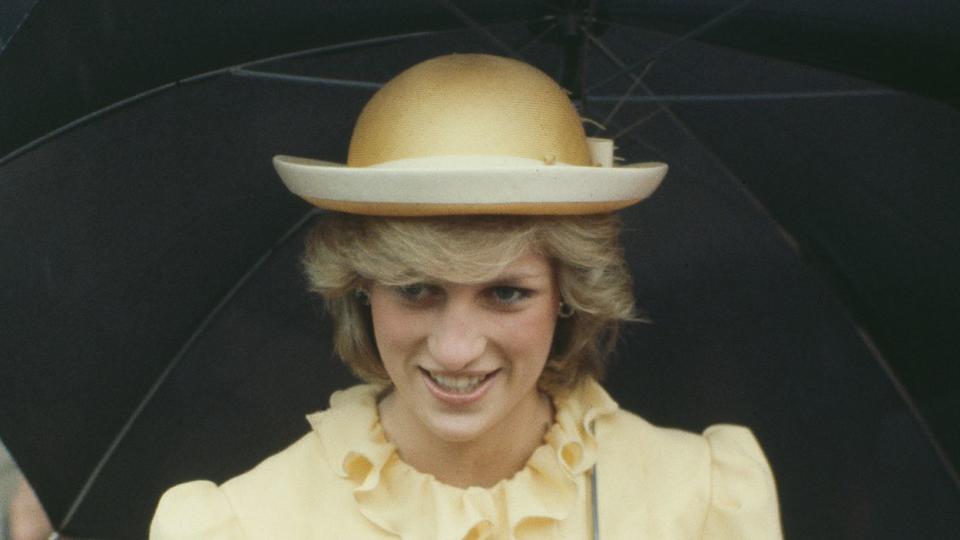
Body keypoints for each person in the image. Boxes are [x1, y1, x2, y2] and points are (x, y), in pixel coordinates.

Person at [151, 53, 781, 539]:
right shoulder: (246, 525)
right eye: (416, 290)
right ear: (361, 289)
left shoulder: (701, 500)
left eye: (507, 293)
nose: (456, 350)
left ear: (570, 293)